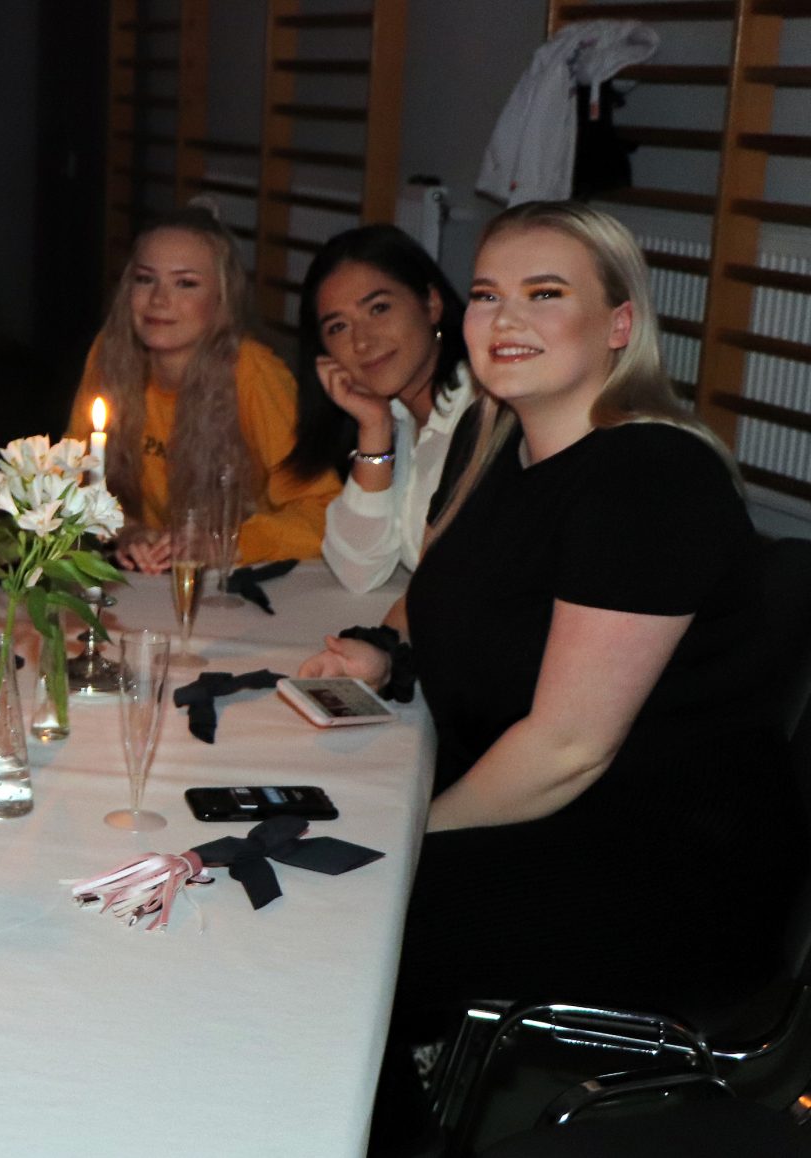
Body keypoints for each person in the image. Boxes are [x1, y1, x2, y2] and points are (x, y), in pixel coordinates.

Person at [292, 202, 805, 1153]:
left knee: (338, 920)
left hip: (660, 874)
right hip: (553, 819)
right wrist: (387, 651)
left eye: (545, 294)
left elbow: (567, 748)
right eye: (489, 295)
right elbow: (463, 606)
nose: (506, 319)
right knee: (299, 853)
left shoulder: (648, 479)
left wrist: (404, 835)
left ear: (619, 324)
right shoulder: (493, 447)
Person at [68, 206, 339, 572]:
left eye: (185, 284)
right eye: (145, 279)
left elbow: (324, 512)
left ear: (222, 298)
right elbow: (70, 474)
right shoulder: (110, 354)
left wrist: (223, 543)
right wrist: (126, 530)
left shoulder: (254, 373)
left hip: (243, 575)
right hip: (152, 575)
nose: (159, 299)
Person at [285, 224, 475, 592]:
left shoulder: (485, 412)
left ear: (432, 304)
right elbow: (358, 572)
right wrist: (374, 429)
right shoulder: (397, 419)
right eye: (338, 327)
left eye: (379, 308)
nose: (362, 341)